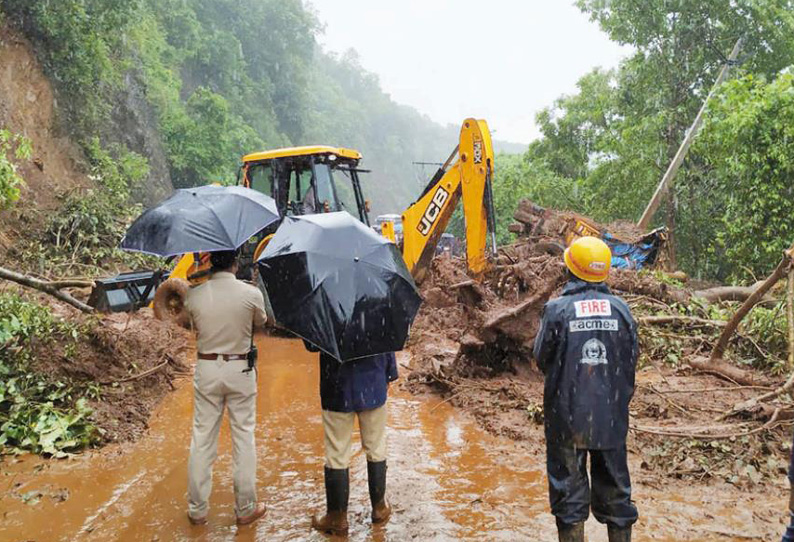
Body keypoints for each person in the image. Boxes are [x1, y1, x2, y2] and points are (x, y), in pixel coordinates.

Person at [533, 236, 639, 542]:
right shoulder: (621, 310)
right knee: (617, 494)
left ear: (570, 269)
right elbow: (630, 361)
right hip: (611, 416)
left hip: (566, 418)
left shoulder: (557, 310)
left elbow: (542, 359)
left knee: (568, 497)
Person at [184, 249, 268, 526]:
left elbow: (190, 324)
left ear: (209, 264)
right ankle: (245, 508)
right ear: (234, 264)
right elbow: (261, 322)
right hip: (240, 368)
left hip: (207, 367)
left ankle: (197, 510)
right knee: (243, 436)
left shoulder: (193, 295)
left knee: (202, 437)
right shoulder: (251, 293)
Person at [304, 343, 399, 535]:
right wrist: (390, 371)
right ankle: (379, 507)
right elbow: (388, 336)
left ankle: (337, 517)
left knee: (337, 452)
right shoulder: (376, 311)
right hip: (373, 382)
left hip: (337, 386)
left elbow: (312, 344)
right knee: (376, 446)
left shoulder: (328, 312)